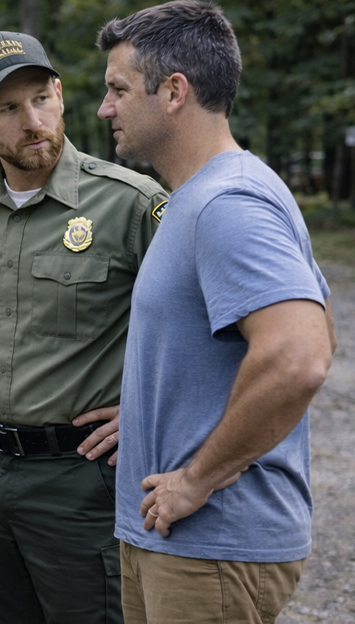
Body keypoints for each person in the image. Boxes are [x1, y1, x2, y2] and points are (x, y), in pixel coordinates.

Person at [95, 3, 336, 622]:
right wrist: (161, 405)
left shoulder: (226, 203)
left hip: (211, 550)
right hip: (181, 548)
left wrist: (198, 478)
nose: (104, 109)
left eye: (118, 89)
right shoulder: (198, 196)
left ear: (174, 91)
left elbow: (300, 354)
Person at [0, 31, 167, 624]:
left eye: (41, 98)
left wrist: (146, 410)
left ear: (59, 94)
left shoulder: (132, 204)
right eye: (8, 108)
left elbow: (206, 324)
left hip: (79, 475)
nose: (31, 120)